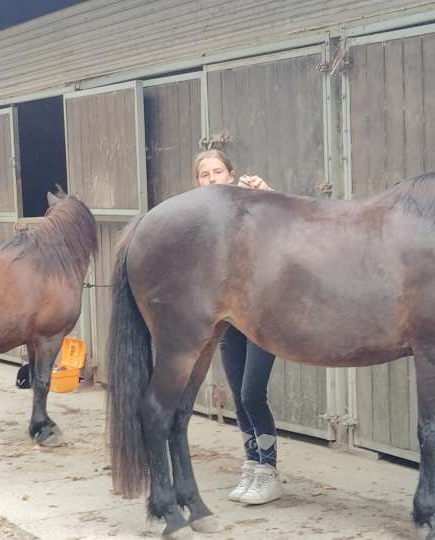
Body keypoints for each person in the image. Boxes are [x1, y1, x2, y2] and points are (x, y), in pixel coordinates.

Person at [194, 149, 282, 505]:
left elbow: (284, 229)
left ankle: (269, 472)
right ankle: (252, 463)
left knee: (251, 394)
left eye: (218, 171)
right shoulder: (198, 220)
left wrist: (268, 195)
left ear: (231, 175)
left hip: (263, 316)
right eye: (205, 174)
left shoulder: (250, 204)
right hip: (230, 320)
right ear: (198, 181)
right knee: (238, 397)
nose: (213, 178)